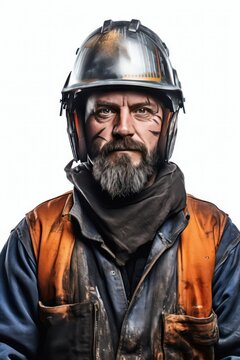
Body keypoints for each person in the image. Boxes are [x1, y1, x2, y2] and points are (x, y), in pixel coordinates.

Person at [0, 19, 239, 360]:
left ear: (167, 126)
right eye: (105, 111)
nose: (123, 128)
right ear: (78, 126)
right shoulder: (36, 239)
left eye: (143, 111)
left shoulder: (216, 241)